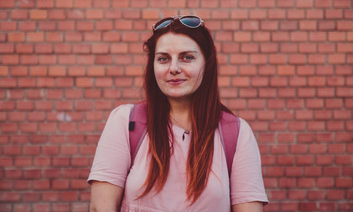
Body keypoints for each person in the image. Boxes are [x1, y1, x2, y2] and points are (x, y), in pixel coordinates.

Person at [87, 15, 268, 212]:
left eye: (187, 57)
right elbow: (100, 207)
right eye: (163, 59)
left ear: (206, 64)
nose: (174, 68)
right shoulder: (124, 122)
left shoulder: (238, 134)